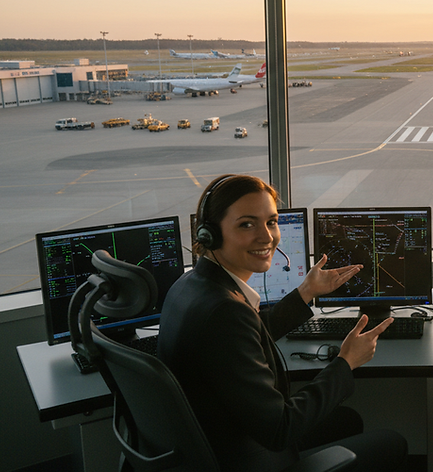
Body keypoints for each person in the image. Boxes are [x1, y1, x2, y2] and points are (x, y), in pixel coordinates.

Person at [158, 174, 407, 472]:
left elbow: (241, 341)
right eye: (246, 224)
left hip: (222, 442)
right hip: (250, 455)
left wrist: (306, 293)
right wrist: (345, 362)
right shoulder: (225, 311)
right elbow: (280, 430)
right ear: (210, 233)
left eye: (271, 221)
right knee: (393, 442)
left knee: (348, 420)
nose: (266, 237)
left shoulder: (191, 285)